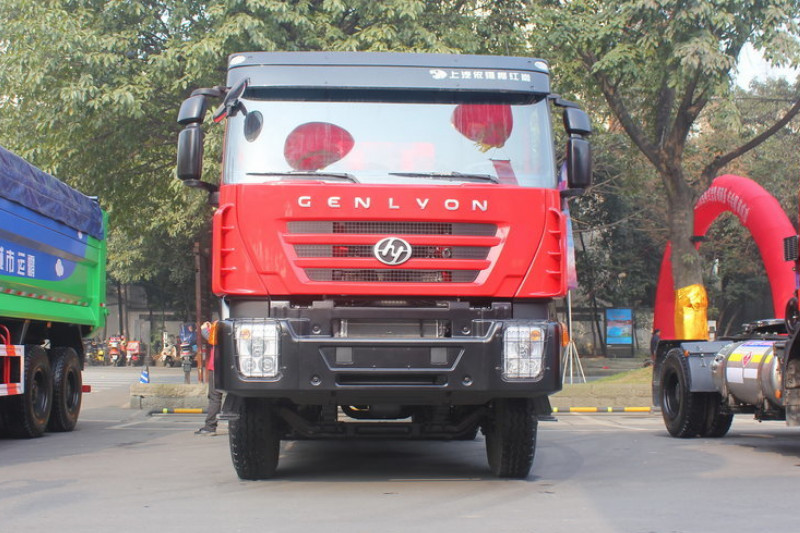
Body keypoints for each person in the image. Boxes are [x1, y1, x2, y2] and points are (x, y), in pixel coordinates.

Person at [195, 321, 222, 435]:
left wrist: (203, 329)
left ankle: (210, 426)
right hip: (224, 367)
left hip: (216, 367)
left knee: (214, 397)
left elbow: (211, 338)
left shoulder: (218, 328)